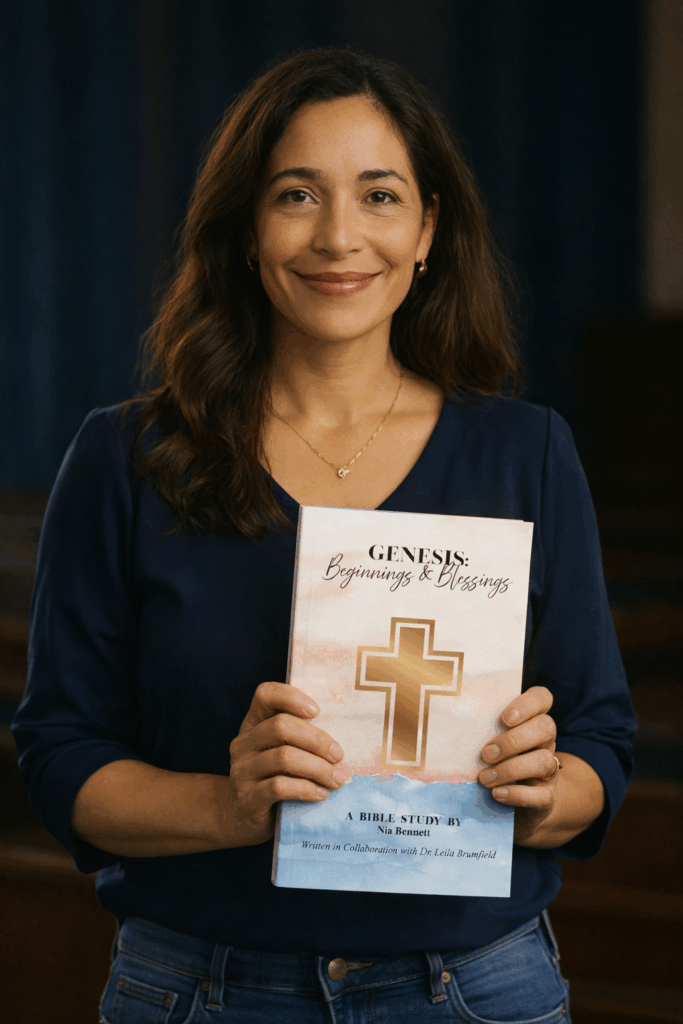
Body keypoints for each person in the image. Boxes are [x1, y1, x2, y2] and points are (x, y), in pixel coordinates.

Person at [12, 47, 635, 1023]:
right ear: (244, 231)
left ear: (427, 228)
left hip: (471, 989)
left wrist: (544, 789)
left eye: (379, 196)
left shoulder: (527, 452)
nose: (339, 236)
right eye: (295, 194)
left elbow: (600, 742)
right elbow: (58, 760)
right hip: (199, 988)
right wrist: (229, 801)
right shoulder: (125, 457)